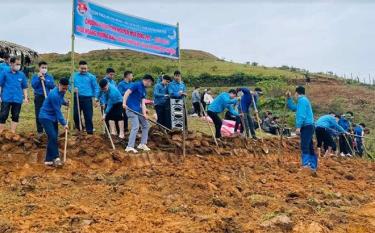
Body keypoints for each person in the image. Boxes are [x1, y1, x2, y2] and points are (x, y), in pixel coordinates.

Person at [38, 78, 70, 167]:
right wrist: (64, 124)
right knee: (52, 136)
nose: (65, 90)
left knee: (53, 137)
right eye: (63, 88)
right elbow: (58, 111)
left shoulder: (61, 92)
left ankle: (48, 160)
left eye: (66, 88)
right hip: (45, 117)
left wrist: (65, 102)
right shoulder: (53, 94)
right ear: (58, 84)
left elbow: (61, 99)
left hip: (53, 118)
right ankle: (56, 158)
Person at [286, 86, 316, 173]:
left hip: (306, 126)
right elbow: (293, 108)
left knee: (305, 145)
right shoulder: (304, 100)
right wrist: (289, 98)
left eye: (294, 94)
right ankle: (312, 166)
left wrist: (298, 127)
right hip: (309, 126)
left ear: (297, 93)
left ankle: (306, 165)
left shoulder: (302, 100)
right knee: (309, 146)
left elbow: (301, 114)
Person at [122, 74, 154, 153]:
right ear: (148, 81)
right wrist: (124, 103)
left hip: (137, 109)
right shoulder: (136, 84)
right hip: (130, 109)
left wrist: (144, 113)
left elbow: (143, 103)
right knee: (135, 126)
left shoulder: (144, 90)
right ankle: (129, 146)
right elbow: (127, 92)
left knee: (146, 125)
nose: (150, 85)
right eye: (150, 83)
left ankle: (142, 144)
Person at [0, 57, 29, 133]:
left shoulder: (22, 75)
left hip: (17, 98)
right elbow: (0, 85)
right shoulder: (4, 72)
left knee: (15, 115)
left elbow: (24, 87)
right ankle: (1, 131)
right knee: (3, 115)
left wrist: (25, 97)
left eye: (19, 64)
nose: (18, 66)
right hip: (6, 97)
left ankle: (12, 132)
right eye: (17, 64)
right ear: (11, 64)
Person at [72, 60, 99, 134]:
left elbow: (96, 87)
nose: (83, 70)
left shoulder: (91, 77)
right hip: (77, 97)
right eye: (82, 68)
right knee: (76, 115)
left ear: (87, 68)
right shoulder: (74, 76)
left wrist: (96, 98)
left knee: (88, 116)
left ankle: (89, 131)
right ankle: (79, 128)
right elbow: (69, 86)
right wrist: (73, 89)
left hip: (87, 99)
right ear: (78, 68)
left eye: (85, 68)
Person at [31, 61, 55, 137]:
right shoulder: (35, 76)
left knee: (48, 113)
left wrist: (45, 81)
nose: (44, 69)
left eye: (45, 68)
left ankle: (48, 130)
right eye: (43, 67)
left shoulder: (49, 77)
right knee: (38, 113)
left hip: (47, 97)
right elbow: (34, 86)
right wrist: (39, 79)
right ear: (39, 68)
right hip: (38, 97)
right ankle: (40, 131)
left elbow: (52, 86)